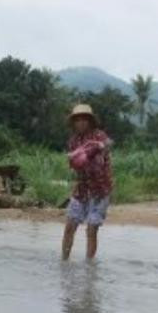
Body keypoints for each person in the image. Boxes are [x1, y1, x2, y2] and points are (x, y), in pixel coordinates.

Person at [61, 104, 113, 261]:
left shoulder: (99, 136)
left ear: (90, 121)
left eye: (84, 119)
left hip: (100, 189)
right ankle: (64, 262)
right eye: (78, 120)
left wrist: (99, 147)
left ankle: (89, 266)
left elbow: (109, 143)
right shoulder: (73, 141)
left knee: (92, 229)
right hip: (82, 189)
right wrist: (75, 158)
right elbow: (72, 162)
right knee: (70, 226)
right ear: (74, 123)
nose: (81, 123)